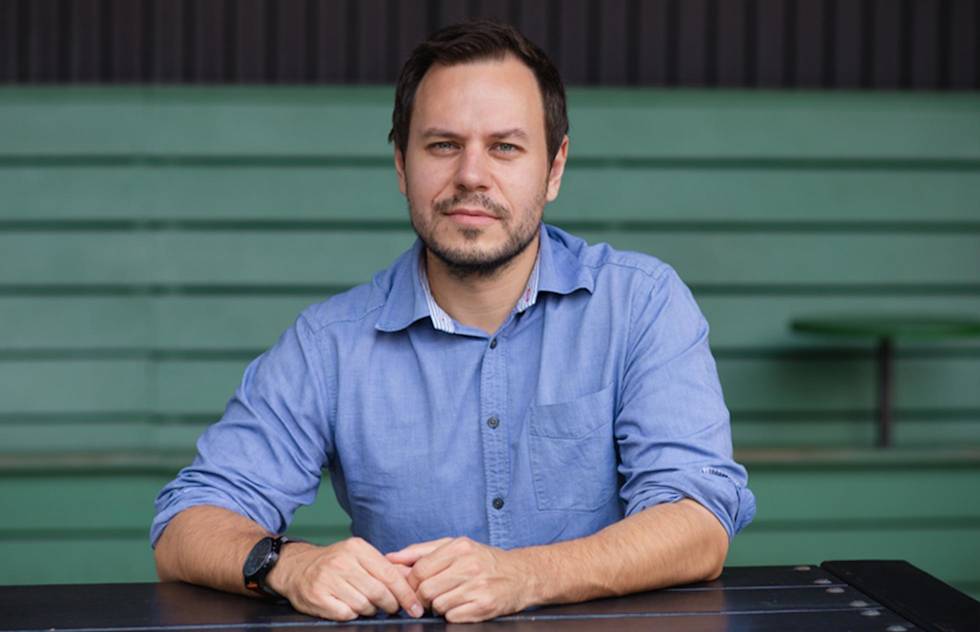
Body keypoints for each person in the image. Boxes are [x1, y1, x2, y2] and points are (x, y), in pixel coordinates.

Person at [151, 20, 755, 624]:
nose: (471, 174)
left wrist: (524, 574)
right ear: (401, 164)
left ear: (554, 169)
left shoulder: (640, 304)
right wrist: (289, 563)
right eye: (442, 145)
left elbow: (698, 521)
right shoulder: (330, 345)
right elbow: (187, 523)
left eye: (505, 147)